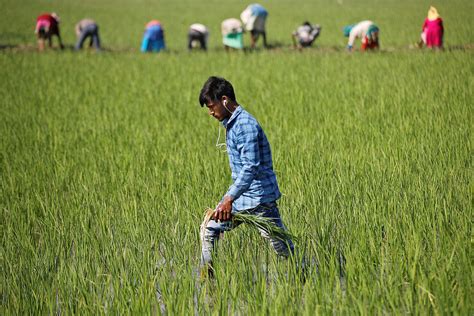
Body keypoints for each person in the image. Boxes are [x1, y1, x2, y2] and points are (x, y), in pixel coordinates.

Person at [198, 76, 295, 277]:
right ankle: (207, 278)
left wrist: (228, 199)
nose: (210, 112)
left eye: (211, 106)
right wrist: (230, 199)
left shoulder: (245, 125)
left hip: (260, 200)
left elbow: (250, 167)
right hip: (243, 198)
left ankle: (305, 275)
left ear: (225, 100)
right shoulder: (232, 124)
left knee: (283, 249)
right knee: (209, 227)